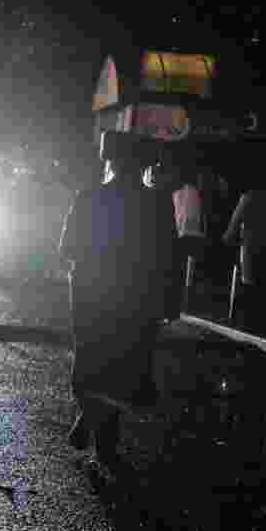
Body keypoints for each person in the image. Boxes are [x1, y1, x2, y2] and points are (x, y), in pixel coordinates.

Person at [59, 151, 176, 472]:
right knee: (123, 369)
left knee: (89, 367)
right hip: (137, 301)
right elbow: (170, 257)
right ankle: (101, 437)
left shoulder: (89, 197)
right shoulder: (158, 203)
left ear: (109, 163)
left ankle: (94, 425)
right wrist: (169, 303)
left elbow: (67, 247)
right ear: (145, 166)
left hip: (91, 297)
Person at [223, 179, 266, 335]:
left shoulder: (246, 198)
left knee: (248, 282)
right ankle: (262, 322)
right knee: (263, 284)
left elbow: (235, 221)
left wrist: (227, 238)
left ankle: (247, 322)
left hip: (250, 245)